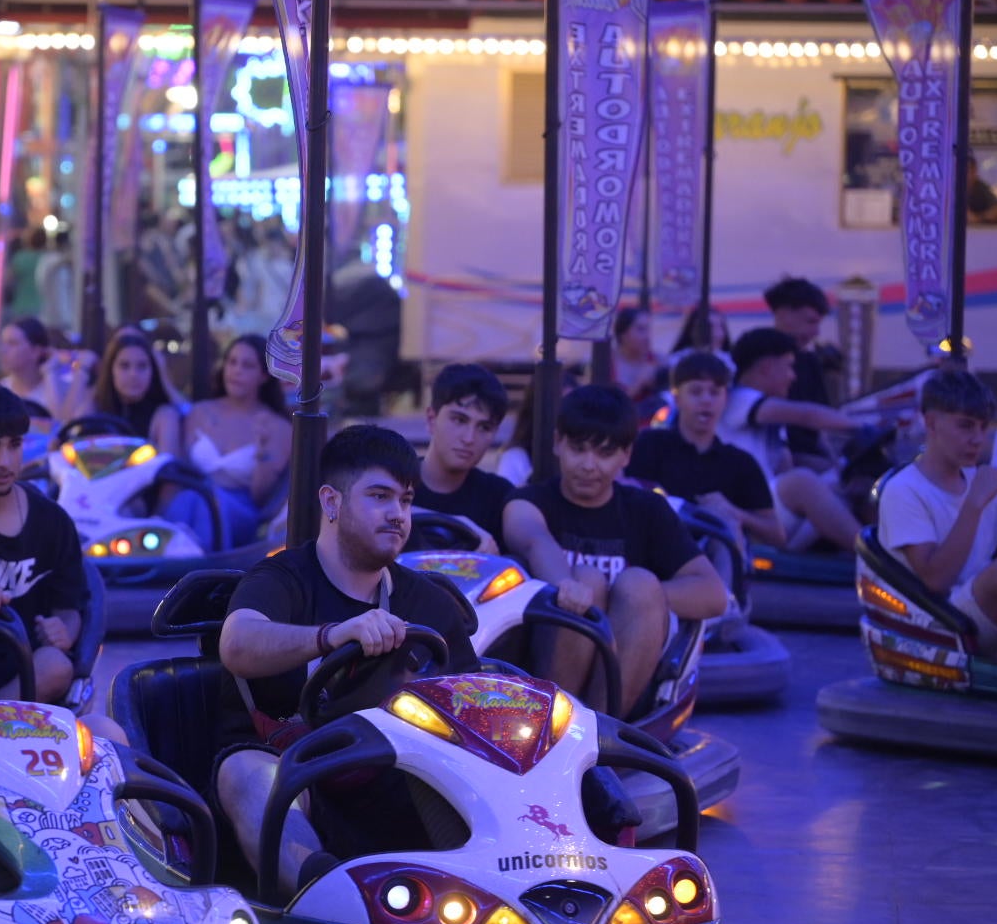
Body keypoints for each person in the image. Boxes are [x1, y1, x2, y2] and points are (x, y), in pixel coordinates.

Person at [215, 425, 474, 892]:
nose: (397, 514)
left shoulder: (428, 603)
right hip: (298, 779)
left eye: (406, 500)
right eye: (380, 496)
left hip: (396, 782)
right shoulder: (281, 578)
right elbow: (237, 643)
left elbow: (472, 705)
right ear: (332, 502)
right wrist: (332, 636)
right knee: (246, 773)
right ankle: (323, 896)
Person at [503, 385, 728, 715]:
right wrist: (571, 587)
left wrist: (628, 598)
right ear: (557, 443)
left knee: (637, 584)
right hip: (543, 664)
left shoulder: (647, 510)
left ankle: (599, 736)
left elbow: (713, 594)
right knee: (587, 581)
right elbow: (533, 538)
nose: (589, 465)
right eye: (578, 449)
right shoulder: (529, 501)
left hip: (624, 667)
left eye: (604, 453)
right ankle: (548, 726)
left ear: (626, 455)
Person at [0, 382, 89, 701]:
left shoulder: (52, 521)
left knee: (55, 664)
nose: (5, 461)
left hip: (27, 673)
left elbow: (71, 607)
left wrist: (62, 631)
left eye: (13, 445)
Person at [879, 369, 997, 659]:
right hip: (938, 623)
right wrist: (974, 505)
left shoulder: (982, 480)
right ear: (931, 423)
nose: (978, 439)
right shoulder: (905, 490)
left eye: (983, 427)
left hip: (984, 614)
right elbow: (936, 580)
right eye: (966, 426)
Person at [720, 327, 861, 552]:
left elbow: (786, 464)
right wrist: (863, 426)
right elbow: (806, 415)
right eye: (788, 367)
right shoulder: (739, 399)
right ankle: (877, 560)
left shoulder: (768, 413)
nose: (793, 376)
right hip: (746, 512)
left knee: (845, 482)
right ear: (766, 368)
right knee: (802, 482)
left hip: (769, 511)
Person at [628, 351, 783, 548]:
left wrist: (734, 513)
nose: (706, 400)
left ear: (725, 398)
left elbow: (776, 534)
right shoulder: (649, 445)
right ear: (677, 398)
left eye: (715, 392)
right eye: (696, 392)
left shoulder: (740, 462)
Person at [177, 335, 293, 549]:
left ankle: (198, 568)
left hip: (240, 509)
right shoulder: (200, 412)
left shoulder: (277, 426)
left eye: (247, 365)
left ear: (264, 376)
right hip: (193, 497)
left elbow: (262, 497)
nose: (236, 370)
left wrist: (262, 449)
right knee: (190, 499)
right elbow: (180, 469)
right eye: (232, 362)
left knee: (207, 502)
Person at [413, 363, 513, 552]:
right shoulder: (398, 482)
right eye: (459, 420)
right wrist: (459, 523)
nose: (469, 438)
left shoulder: (499, 497)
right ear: (431, 419)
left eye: (484, 427)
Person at [763, 277, 840, 470]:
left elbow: (822, 426)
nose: (816, 332)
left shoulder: (809, 362)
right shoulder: (755, 357)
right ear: (784, 314)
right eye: (810, 321)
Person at [91, 328, 183, 454]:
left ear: (153, 371)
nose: (133, 375)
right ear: (111, 370)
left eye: (142, 366)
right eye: (124, 366)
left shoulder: (164, 415)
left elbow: (167, 467)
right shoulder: (95, 406)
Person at [0, 317, 85, 421]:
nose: (3, 350)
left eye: (12, 343)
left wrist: (50, 370)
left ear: (36, 351)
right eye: (3, 343)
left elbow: (58, 425)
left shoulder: (61, 388)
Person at [665, 304, 734, 375]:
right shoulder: (676, 362)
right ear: (693, 330)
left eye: (721, 327)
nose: (719, 334)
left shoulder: (730, 362)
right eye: (710, 327)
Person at [611, 307, 660, 402]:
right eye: (640, 329)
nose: (647, 336)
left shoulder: (658, 362)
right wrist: (639, 384)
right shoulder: (606, 365)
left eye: (647, 329)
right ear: (623, 335)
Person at [967, 156, 997, 226]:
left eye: (967, 170)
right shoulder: (949, 188)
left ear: (974, 171)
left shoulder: (980, 188)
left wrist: (978, 218)